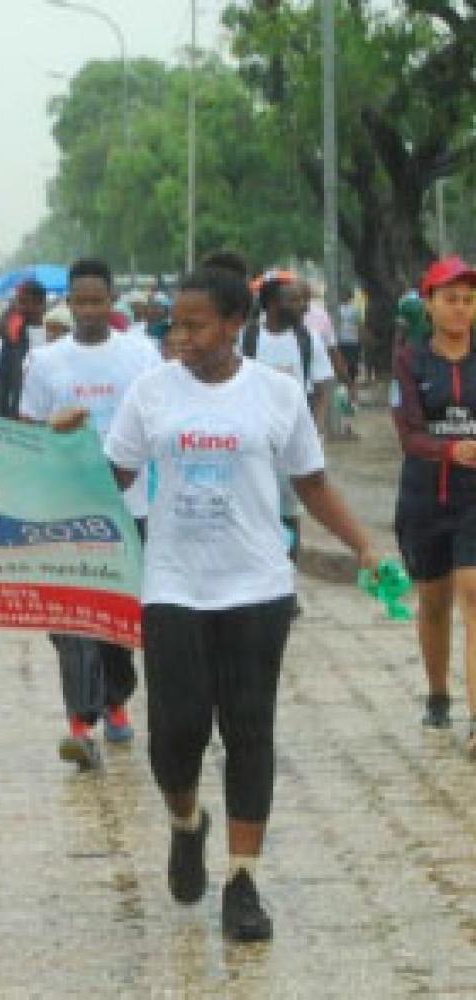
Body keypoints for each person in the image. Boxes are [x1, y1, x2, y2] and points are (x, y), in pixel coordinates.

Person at [98, 251, 376, 942]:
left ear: (234, 323)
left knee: (249, 730)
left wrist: (364, 547)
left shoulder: (276, 394)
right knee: (177, 733)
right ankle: (186, 824)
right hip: (172, 586)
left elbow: (311, 483)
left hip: (257, 585)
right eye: (175, 326)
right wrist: (61, 453)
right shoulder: (152, 393)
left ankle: (243, 881)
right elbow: (114, 472)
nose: (181, 338)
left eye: (196, 326)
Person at [21, 258, 162, 770]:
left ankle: (117, 699)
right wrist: (55, 432)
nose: (87, 311)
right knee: (71, 620)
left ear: (112, 301)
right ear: (69, 305)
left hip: (129, 506)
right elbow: (28, 431)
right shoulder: (45, 362)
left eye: (96, 301)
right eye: (78, 302)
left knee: (118, 617)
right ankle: (80, 724)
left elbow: (158, 420)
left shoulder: (141, 355)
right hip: (64, 509)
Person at [391, 255, 476, 757]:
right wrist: (450, 448)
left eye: (468, 301)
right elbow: (409, 433)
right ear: (429, 304)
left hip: (474, 498)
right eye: (450, 300)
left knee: (474, 594)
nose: (461, 310)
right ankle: (439, 692)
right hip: (425, 496)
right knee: (436, 603)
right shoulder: (410, 360)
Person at [243, 272, 334, 564]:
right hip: (252, 441)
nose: (303, 306)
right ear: (271, 303)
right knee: (252, 506)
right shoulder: (248, 338)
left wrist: (316, 430)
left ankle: (288, 569)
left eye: (304, 300)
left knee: (289, 511)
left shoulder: (308, 341)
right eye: (294, 300)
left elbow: (322, 388)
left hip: (292, 442)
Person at [0, 280, 46, 418]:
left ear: (40, 304)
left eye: (23, 302)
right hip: (18, 413)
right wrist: (1, 415)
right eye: (18, 302)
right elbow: (2, 380)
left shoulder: (54, 334)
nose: (18, 307)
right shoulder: (13, 337)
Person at [337, 288, 364, 408]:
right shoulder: (353, 310)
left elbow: (359, 326)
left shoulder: (338, 310)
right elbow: (360, 326)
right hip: (350, 342)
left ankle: (350, 399)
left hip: (345, 342)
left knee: (346, 370)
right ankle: (352, 400)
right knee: (350, 371)